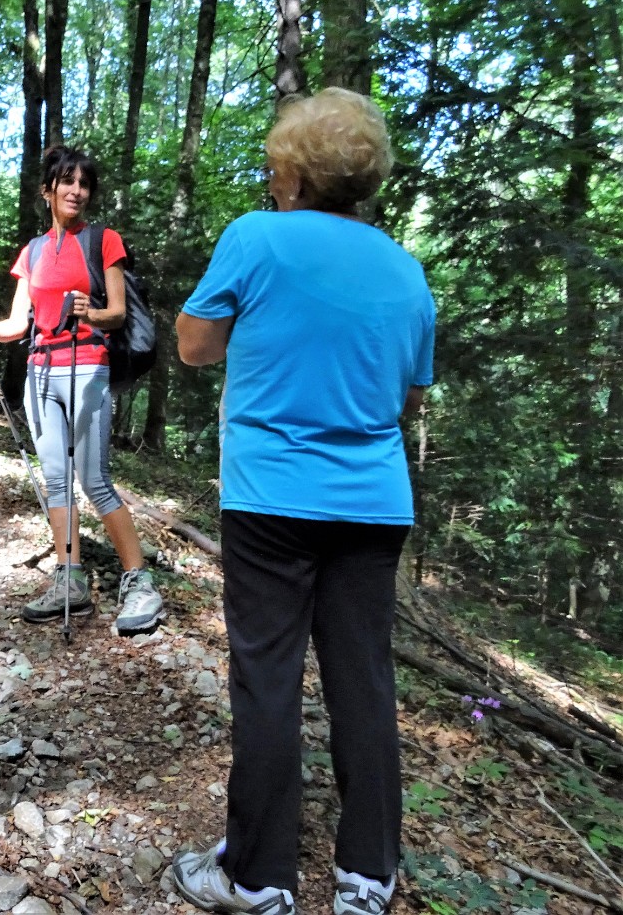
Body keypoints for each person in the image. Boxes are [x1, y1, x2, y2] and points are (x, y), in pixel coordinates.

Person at [165, 88, 434, 915]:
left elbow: (193, 345)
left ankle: (258, 878)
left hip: (272, 496)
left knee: (268, 680)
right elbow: (408, 398)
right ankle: (365, 878)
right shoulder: (404, 266)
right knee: (364, 683)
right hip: (374, 504)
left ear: (294, 169)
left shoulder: (257, 238)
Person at [0, 146, 163, 634]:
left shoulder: (103, 241)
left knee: (93, 480)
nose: (76, 191)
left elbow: (116, 312)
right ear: (47, 190)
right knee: (54, 481)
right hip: (41, 373)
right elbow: (19, 323)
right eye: (67, 182)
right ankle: (70, 579)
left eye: (84, 184)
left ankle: (139, 581)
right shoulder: (31, 252)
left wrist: (86, 312)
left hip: (88, 366)